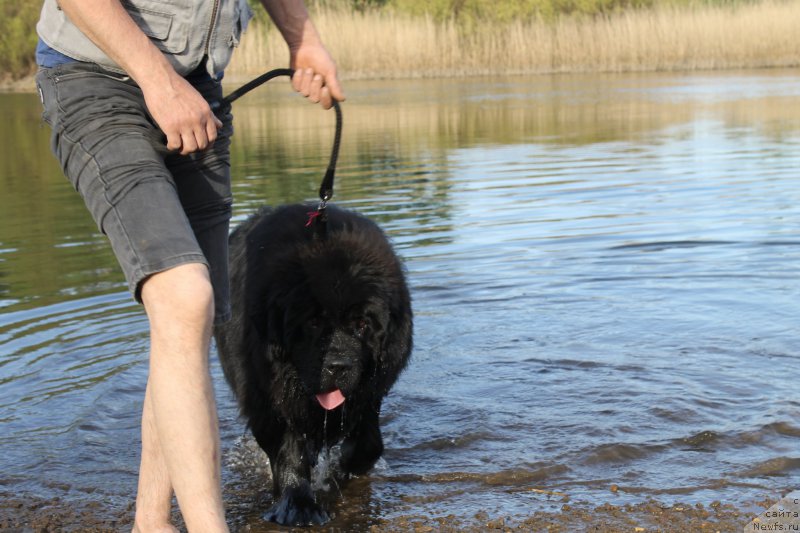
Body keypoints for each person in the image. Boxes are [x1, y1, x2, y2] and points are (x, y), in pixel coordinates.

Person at [34, 1, 344, 531]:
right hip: (96, 81)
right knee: (185, 295)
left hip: (197, 93)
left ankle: (150, 523)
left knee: (185, 322)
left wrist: (302, 38)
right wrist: (159, 82)